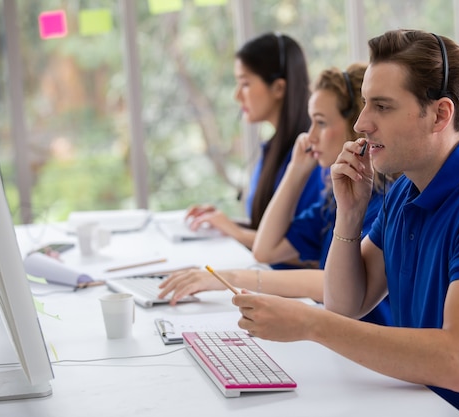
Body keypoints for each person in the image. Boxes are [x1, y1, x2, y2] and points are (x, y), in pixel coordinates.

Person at [230, 29, 459, 417]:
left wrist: (311, 324)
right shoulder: (405, 193)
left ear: (440, 114)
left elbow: (458, 362)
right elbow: (347, 304)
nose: (361, 124)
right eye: (364, 105)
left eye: (382, 107)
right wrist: (351, 212)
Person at [159, 63, 393, 325]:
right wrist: (296, 171)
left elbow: (334, 285)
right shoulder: (335, 200)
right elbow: (266, 251)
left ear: (356, 127)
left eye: (321, 123)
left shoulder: (385, 204)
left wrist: (230, 279)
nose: (310, 136)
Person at [185, 32, 324, 261]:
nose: (237, 95)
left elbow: (304, 251)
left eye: (245, 83)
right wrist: (226, 222)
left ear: (279, 88)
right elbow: (268, 227)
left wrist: (235, 231)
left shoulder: (311, 158)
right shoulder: (273, 149)